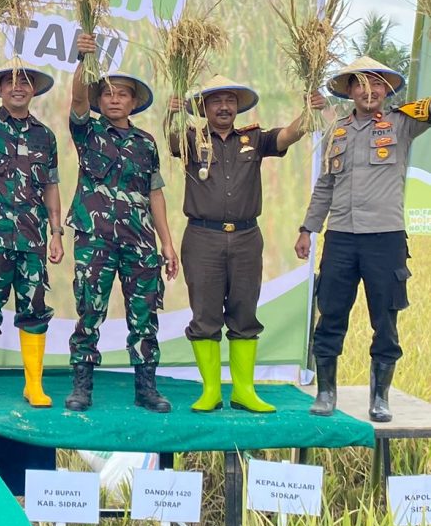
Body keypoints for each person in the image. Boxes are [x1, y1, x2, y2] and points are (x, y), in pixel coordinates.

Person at [168, 75, 326, 413]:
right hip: (202, 237)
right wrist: (173, 112)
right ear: (204, 108)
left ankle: (243, 391)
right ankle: (211, 391)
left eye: (230, 100)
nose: (224, 106)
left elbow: (289, 135)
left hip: (245, 238)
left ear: (238, 107)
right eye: (215, 101)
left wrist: (309, 111)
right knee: (205, 314)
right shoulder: (190, 139)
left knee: (244, 311)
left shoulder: (254, 138)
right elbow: (171, 137)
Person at [297, 56, 429, 422]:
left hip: (384, 239)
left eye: (375, 84)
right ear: (350, 91)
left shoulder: (402, 123)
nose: (368, 91)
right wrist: (308, 227)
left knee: (385, 319)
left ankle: (380, 398)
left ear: (387, 90)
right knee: (331, 313)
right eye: (359, 84)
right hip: (340, 237)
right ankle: (325, 393)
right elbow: (325, 185)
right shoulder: (336, 132)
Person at [64, 33, 179, 413]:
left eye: (123, 94)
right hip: (95, 239)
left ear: (133, 101)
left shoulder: (146, 143)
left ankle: (146, 388)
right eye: (108, 93)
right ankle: (82, 387)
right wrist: (84, 60)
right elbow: (77, 99)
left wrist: (167, 242)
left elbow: (155, 193)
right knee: (89, 311)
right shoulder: (88, 132)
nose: (115, 99)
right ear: (100, 101)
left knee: (144, 313)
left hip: (140, 240)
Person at [0, 29, 64, 408]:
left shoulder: (45, 136)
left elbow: (51, 186)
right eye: (10, 82)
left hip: (33, 238)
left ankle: (33, 384)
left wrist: (56, 232)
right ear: (0, 89)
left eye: (25, 83)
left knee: (34, 308)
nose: (18, 88)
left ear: (34, 91)